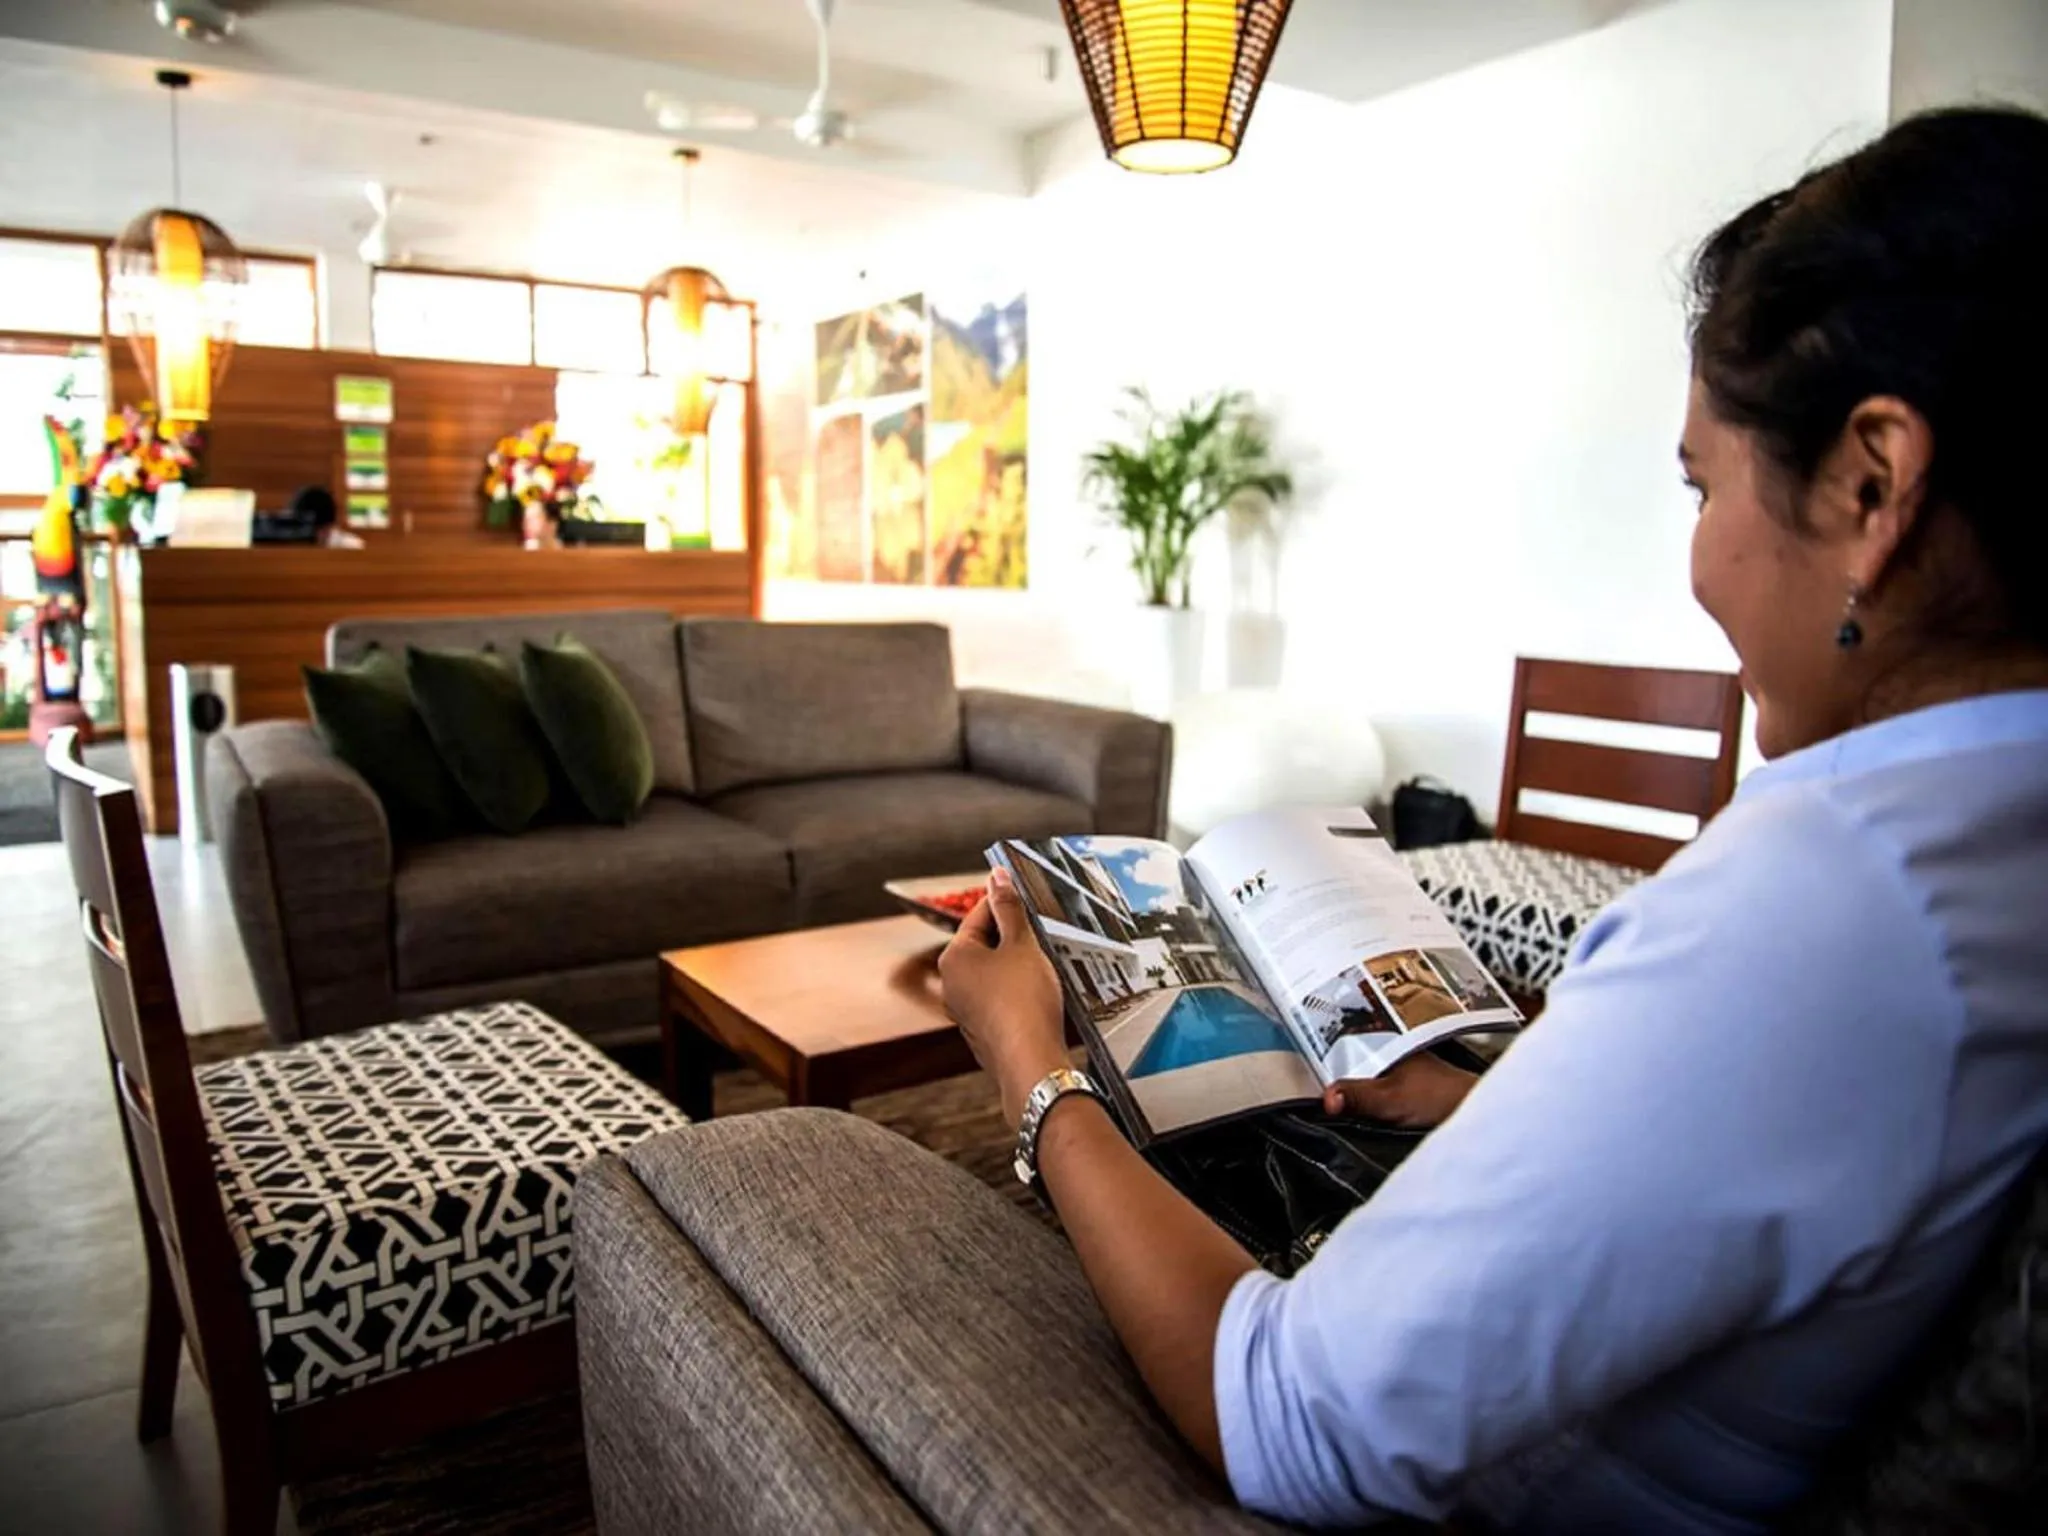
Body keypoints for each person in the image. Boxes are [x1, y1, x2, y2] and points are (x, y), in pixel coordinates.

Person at [940, 106, 2048, 1532]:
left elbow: (1279, 1414)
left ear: (1872, 482)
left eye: (1702, 484)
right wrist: (1503, 1093)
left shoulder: (1831, 897)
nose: (1698, 558)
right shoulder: (1986, 837)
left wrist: (1031, 1069)